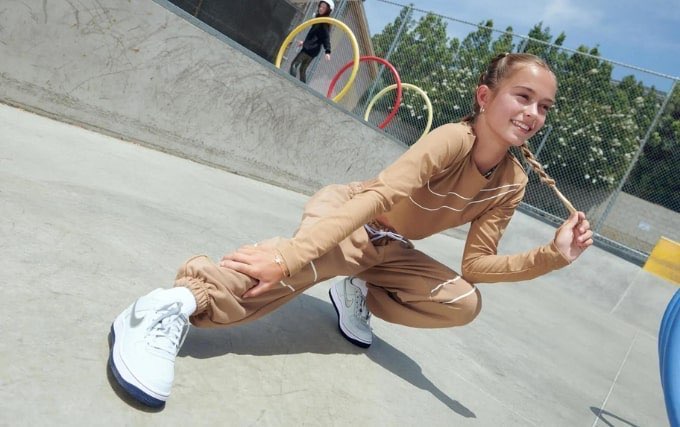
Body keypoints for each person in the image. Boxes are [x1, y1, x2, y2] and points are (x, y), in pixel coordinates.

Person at [108, 52, 594, 407]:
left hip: (392, 245)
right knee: (292, 270)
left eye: (545, 107)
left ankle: (356, 290)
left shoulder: (513, 182)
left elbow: (476, 265)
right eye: (523, 97)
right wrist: (290, 257)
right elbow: (378, 198)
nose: (533, 113)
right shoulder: (452, 139)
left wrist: (552, 254)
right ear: (486, 96)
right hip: (356, 212)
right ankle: (173, 304)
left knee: (462, 301)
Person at [288, 1, 334, 83]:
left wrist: (327, 51)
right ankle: (303, 87)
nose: (320, 8)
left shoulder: (324, 22)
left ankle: (290, 83)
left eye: (323, 8)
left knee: (294, 65)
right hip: (313, 50)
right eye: (320, 6)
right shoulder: (319, 20)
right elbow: (314, 36)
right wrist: (304, 42)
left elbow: (326, 38)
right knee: (302, 69)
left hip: (309, 49)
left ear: (328, 10)